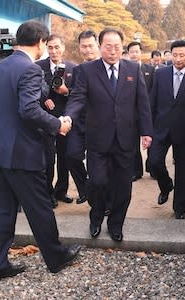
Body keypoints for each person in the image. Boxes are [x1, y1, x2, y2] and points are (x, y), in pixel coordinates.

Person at [0, 20, 81, 283]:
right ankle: (56, 256)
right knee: (40, 207)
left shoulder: (1, 66)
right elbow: (28, 110)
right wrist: (57, 125)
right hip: (21, 152)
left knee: (3, 210)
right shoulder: (29, 69)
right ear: (39, 42)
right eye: (44, 44)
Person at [65, 28, 153, 242]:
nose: (112, 51)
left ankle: (116, 225)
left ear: (122, 47)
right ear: (100, 46)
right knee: (97, 182)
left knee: (123, 187)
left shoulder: (132, 68)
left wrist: (147, 131)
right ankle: (96, 218)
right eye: (107, 46)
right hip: (97, 139)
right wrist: (68, 117)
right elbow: (77, 97)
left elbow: (142, 102)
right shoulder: (87, 70)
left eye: (116, 47)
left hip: (125, 139)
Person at [149, 39, 185, 220]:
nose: (178, 59)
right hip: (161, 128)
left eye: (181, 55)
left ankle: (180, 208)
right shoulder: (160, 74)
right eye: (174, 55)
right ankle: (166, 184)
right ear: (170, 55)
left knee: (184, 171)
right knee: (154, 162)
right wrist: (148, 127)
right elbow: (152, 101)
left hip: (184, 131)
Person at [36, 34, 75, 206]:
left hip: (66, 119)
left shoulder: (73, 68)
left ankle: (61, 191)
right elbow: (32, 89)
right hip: (45, 119)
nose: (53, 51)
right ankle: (48, 193)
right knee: (48, 159)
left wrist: (66, 91)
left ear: (63, 47)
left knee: (64, 158)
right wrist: (44, 98)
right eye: (50, 47)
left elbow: (78, 95)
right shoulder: (37, 67)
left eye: (57, 47)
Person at [65, 30, 101, 206]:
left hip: (100, 125)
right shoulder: (77, 70)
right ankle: (85, 190)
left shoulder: (106, 67)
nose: (87, 50)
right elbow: (76, 96)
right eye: (84, 46)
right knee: (71, 156)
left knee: (98, 168)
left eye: (90, 46)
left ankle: (102, 202)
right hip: (79, 123)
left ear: (98, 46)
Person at [127, 41, 155, 181]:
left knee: (150, 140)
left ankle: (151, 166)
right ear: (128, 53)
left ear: (141, 52)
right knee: (133, 144)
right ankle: (136, 171)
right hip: (131, 113)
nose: (134, 54)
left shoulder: (149, 69)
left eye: (137, 51)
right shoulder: (125, 70)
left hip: (148, 111)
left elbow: (153, 91)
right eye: (131, 51)